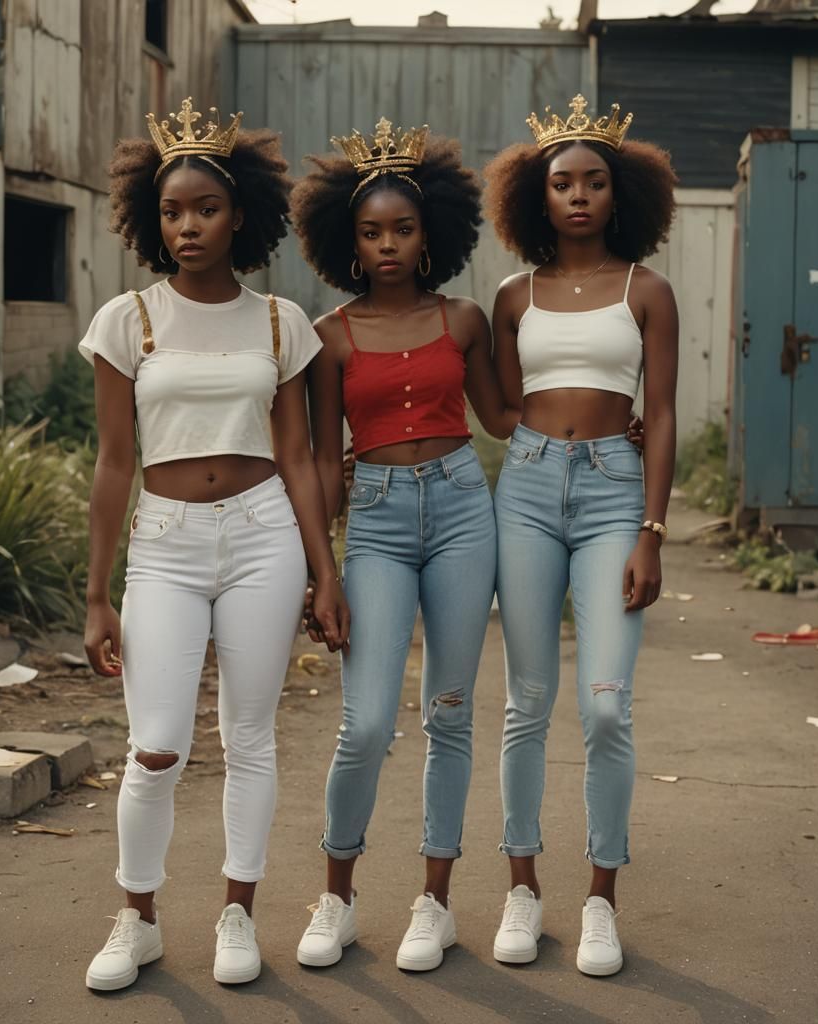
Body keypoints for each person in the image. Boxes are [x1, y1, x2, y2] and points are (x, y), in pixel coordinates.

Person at [78, 97, 348, 991]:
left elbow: (300, 458)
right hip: (164, 545)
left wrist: (324, 572)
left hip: (265, 534)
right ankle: (138, 918)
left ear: (243, 217)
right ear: (151, 221)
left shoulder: (280, 322)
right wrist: (96, 593)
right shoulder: (128, 320)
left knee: (250, 738)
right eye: (171, 211)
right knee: (156, 745)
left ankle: (238, 913)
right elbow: (116, 465)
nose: (187, 225)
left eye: (205, 209)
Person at [289, 119, 516, 972]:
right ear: (347, 240)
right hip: (377, 522)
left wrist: (599, 410)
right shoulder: (330, 335)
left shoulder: (462, 320)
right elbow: (319, 456)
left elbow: (500, 417)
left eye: (403, 229)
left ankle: (435, 903)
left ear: (432, 235)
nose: (388, 245)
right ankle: (336, 899)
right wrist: (324, 573)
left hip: (464, 509)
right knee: (367, 722)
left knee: (449, 716)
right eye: (371, 232)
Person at [483, 95, 678, 976]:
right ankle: (522, 887)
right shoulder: (511, 295)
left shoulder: (648, 291)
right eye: (563, 183)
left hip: (612, 495)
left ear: (620, 193)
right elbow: (494, 406)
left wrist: (653, 528)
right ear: (538, 196)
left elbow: (663, 415)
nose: (579, 197)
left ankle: (601, 898)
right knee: (527, 702)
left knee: (605, 704)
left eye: (595, 182)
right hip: (524, 488)